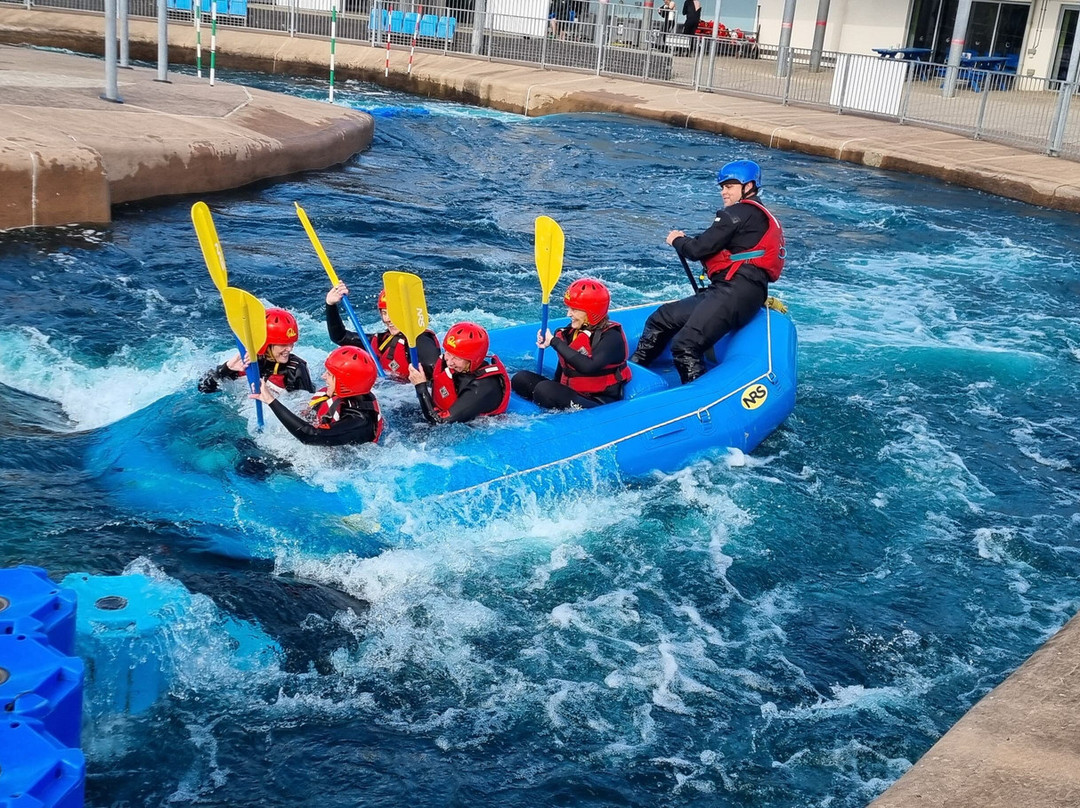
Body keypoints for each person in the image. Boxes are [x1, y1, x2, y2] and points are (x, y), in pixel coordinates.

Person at [630, 159, 785, 384]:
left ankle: (696, 398)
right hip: (734, 290)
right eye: (722, 186)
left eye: (730, 186)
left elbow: (698, 249)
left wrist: (677, 240)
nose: (724, 192)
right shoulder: (757, 217)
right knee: (661, 319)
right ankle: (632, 373)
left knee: (685, 345)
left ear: (748, 187)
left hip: (735, 292)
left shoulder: (738, 213)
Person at [511, 278, 632, 410]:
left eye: (574, 309)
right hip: (572, 391)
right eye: (569, 308)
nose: (568, 313)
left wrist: (554, 342)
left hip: (598, 399)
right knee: (520, 379)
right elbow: (564, 365)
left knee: (544, 390)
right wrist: (556, 385)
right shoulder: (572, 332)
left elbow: (589, 367)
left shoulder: (612, 337)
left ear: (592, 311)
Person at [251, 346, 383, 446]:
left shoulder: (360, 421)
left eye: (329, 374)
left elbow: (310, 436)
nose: (323, 376)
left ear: (345, 382)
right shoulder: (345, 394)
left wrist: (270, 400)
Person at [325, 282, 440, 381]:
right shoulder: (383, 340)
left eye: (393, 313)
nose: (387, 319)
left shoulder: (421, 340)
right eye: (384, 313)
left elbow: (435, 374)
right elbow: (340, 337)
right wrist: (331, 305)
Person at [408, 321, 510, 424]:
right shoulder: (450, 363)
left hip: (475, 429)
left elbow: (439, 422)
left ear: (474, 360)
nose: (449, 362)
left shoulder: (482, 387)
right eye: (448, 352)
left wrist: (420, 386)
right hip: (440, 411)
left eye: (457, 358)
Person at [198, 307, 316, 394]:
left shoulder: (295, 369)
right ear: (265, 343)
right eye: (283, 344)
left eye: (291, 343)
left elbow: (306, 413)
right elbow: (204, 388)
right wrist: (225, 369)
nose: (289, 349)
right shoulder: (246, 361)